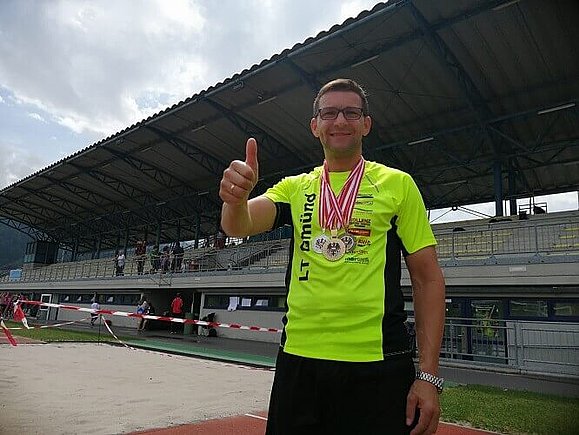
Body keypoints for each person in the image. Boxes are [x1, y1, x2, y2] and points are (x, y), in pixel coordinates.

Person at [219, 78, 446, 435]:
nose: (340, 121)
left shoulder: (397, 184)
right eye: (329, 113)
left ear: (366, 124)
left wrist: (428, 376)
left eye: (351, 112)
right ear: (315, 126)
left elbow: (428, 278)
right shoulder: (295, 188)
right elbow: (240, 224)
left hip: (378, 365)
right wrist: (234, 200)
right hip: (300, 362)